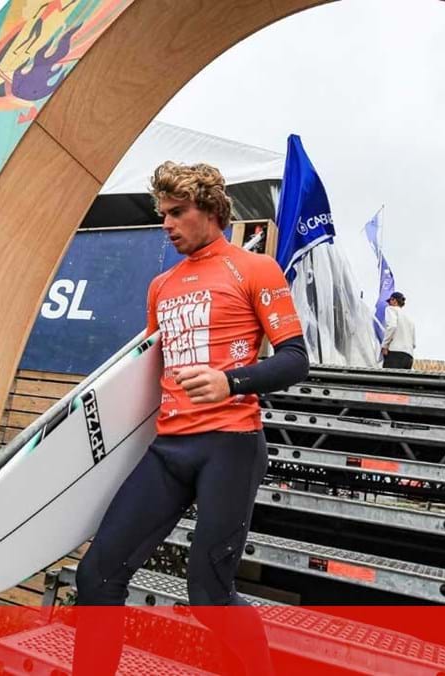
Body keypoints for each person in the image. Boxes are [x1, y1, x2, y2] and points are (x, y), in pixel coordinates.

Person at [73, 161, 309, 675]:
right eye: (163, 214)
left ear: (211, 210)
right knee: (96, 576)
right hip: (168, 449)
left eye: (177, 212)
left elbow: (295, 359)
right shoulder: (161, 286)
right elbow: (146, 370)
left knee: (208, 595)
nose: (167, 223)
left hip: (230, 445)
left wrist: (232, 381)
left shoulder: (252, 269)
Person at [381, 291, 416, 369]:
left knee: (386, 379)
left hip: (395, 353)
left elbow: (392, 326)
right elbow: (413, 343)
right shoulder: (409, 318)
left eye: (389, 301)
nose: (389, 304)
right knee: (401, 381)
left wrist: (385, 345)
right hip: (409, 357)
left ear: (394, 300)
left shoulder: (391, 309)